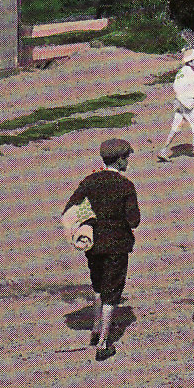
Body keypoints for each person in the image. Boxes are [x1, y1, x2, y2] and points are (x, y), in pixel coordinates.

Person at [64, 138, 141, 361]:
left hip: (94, 244)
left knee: (98, 286)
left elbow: (71, 207)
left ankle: (96, 330)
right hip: (117, 245)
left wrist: (89, 221)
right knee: (111, 292)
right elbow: (134, 220)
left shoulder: (90, 181)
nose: (128, 161)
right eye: (126, 157)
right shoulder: (126, 186)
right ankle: (104, 343)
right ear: (120, 160)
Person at [157, 47, 194, 162]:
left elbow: (178, 86)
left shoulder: (182, 71)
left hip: (179, 102)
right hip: (188, 103)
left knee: (176, 126)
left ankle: (163, 150)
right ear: (191, 62)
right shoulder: (190, 72)